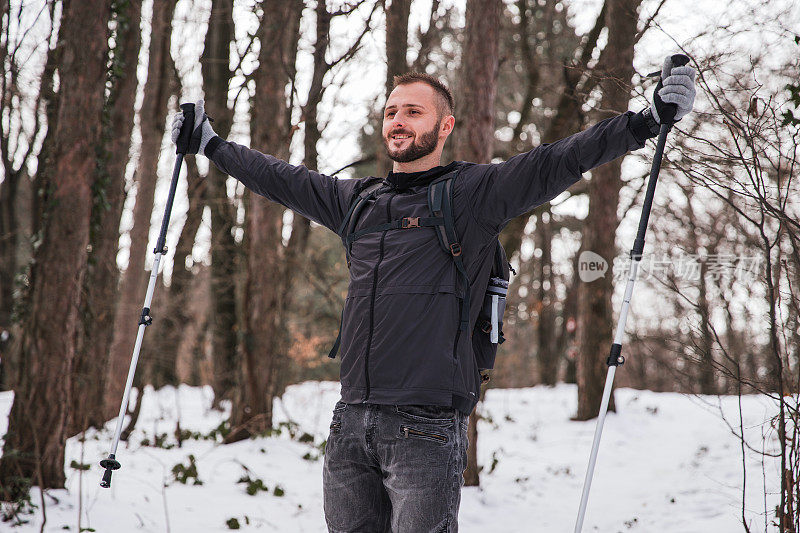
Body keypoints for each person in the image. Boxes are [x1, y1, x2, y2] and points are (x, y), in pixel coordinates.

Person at [172, 56, 696, 532]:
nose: (398, 121)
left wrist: (644, 121)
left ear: (444, 126)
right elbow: (280, 178)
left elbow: (555, 161)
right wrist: (212, 145)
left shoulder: (473, 195)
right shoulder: (357, 201)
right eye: (392, 112)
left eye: (413, 112)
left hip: (425, 427)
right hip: (351, 421)